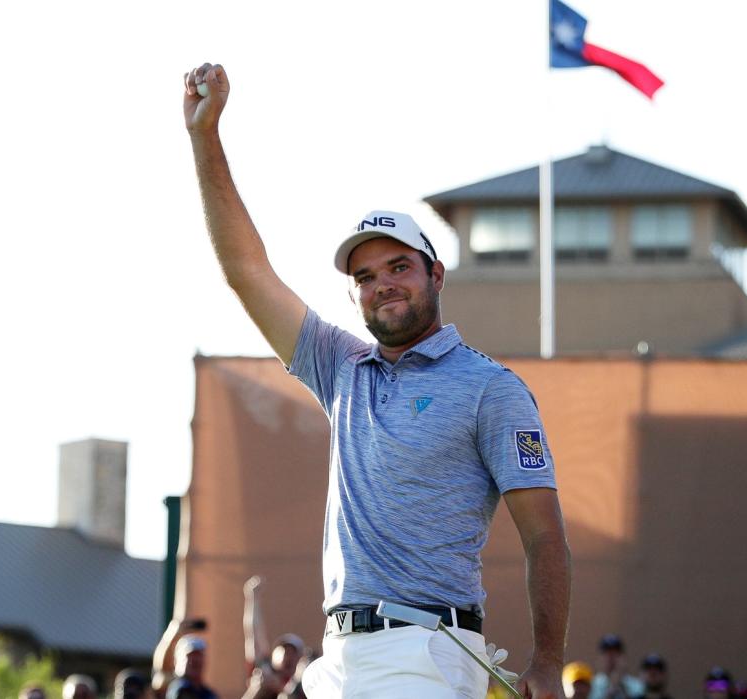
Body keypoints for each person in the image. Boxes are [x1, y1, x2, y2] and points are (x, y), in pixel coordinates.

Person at [183, 62, 570, 699]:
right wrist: (206, 137)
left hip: (426, 652)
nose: (382, 283)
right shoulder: (341, 367)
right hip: (339, 659)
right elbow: (246, 271)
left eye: (399, 266)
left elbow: (545, 534)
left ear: (436, 275)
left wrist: (548, 663)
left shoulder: (490, 388)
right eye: (365, 277)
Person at [242, 576, 306, 699]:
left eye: (293, 653)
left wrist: (279, 687)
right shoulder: (264, 672)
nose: (288, 657)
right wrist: (252, 599)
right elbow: (253, 635)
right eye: (284, 651)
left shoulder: (304, 683)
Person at [588, 634, 643, 699]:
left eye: (615, 654)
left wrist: (620, 684)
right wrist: (612, 689)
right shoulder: (592, 686)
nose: (611, 658)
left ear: (623, 657)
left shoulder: (636, 685)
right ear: (600, 658)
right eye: (607, 654)